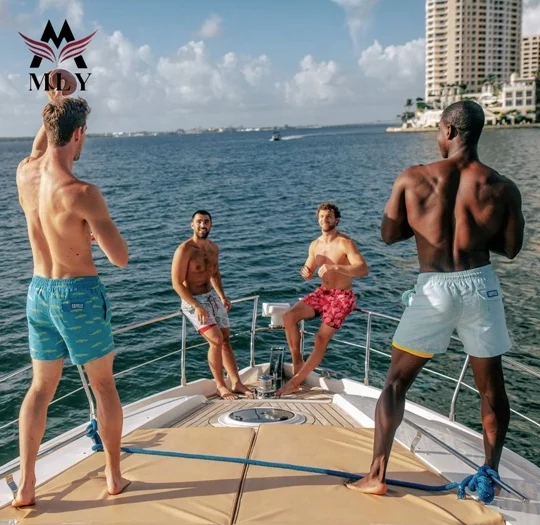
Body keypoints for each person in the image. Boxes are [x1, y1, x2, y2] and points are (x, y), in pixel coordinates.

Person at [347, 101, 525, 496]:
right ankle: (490, 475)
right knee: (491, 388)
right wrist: (475, 235)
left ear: (448, 130)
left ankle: (376, 476)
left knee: (396, 382)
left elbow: (389, 234)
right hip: (480, 285)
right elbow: (512, 248)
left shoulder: (414, 178)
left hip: (434, 287)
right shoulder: (502, 186)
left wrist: (427, 227)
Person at [14, 91, 130, 507]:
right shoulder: (82, 192)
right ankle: (113, 475)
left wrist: (55, 102)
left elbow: (39, 147)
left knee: (40, 388)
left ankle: (27, 485)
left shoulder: (24, 173)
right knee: (103, 385)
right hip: (77, 293)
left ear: (48, 130)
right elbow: (120, 259)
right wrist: (94, 232)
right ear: (79, 134)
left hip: (38, 291)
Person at [276, 202, 369, 396]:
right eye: (321, 217)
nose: (324, 220)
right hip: (323, 293)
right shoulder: (315, 245)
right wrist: (306, 273)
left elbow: (362, 269)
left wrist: (336, 267)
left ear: (337, 220)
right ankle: (297, 363)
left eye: (328, 217)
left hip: (342, 296)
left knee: (320, 338)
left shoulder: (345, 243)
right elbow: (308, 271)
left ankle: (295, 382)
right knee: (289, 317)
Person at [171, 210, 253, 400]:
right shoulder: (184, 250)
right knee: (216, 339)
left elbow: (214, 273)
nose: (203, 225)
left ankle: (236, 382)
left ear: (211, 225)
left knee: (225, 338)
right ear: (192, 225)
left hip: (211, 296)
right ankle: (220, 386)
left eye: (206, 222)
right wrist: (196, 306)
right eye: (199, 222)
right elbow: (176, 283)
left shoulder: (214, 248)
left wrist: (222, 296)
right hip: (192, 299)